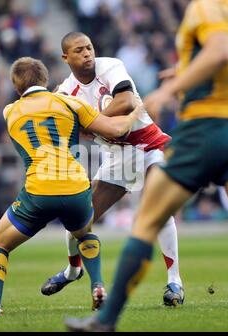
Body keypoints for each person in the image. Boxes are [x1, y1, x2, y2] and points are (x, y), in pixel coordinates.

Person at [65, 0, 228, 331]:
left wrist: (168, 90)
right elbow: (226, 58)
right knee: (110, 216)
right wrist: (187, 69)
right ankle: (80, 274)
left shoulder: (206, 8)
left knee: (148, 218)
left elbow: (220, 54)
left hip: (205, 128)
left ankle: (107, 321)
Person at [0, 56, 141, 316]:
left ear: (16, 87)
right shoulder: (69, 102)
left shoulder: (9, 111)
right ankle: (97, 285)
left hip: (39, 190)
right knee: (83, 232)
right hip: (75, 185)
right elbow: (116, 130)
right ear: (46, 79)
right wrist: (135, 113)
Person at [41, 32, 184, 306]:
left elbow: (126, 102)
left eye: (89, 47)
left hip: (150, 145)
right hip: (116, 156)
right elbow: (57, 124)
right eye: (79, 50)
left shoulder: (110, 66)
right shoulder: (65, 91)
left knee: (158, 208)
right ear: (65, 57)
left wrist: (88, 123)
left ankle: (174, 282)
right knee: (80, 220)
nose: (87, 53)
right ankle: (73, 270)